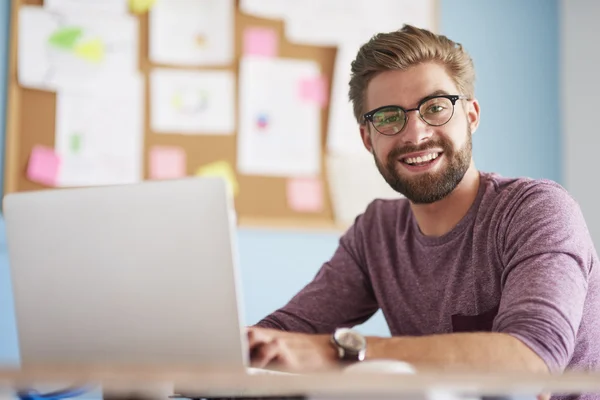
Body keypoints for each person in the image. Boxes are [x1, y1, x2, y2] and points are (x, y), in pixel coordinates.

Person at [246, 24, 600, 388]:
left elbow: (531, 358)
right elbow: (286, 334)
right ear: (368, 139)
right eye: (387, 117)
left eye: (435, 107)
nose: (415, 134)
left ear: (472, 116)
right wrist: (225, 351)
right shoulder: (376, 233)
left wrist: (340, 352)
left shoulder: (536, 211)